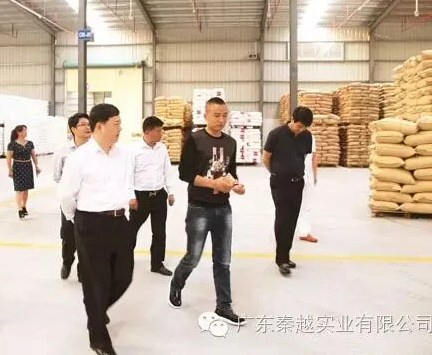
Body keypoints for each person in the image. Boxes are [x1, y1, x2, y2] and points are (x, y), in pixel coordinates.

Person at [59, 103, 137, 355]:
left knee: (124, 275)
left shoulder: (123, 155)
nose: (120, 128)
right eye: (116, 124)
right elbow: (66, 195)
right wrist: (76, 220)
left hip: (119, 221)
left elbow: (126, 184)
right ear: (100, 126)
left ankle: (97, 310)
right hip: (90, 223)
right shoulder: (79, 158)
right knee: (95, 282)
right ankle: (98, 338)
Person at [168, 97, 247, 327]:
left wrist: (236, 185)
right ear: (205, 115)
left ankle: (224, 306)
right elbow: (184, 174)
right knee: (193, 257)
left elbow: (231, 172)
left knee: (223, 260)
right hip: (199, 208)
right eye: (216, 115)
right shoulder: (195, 139)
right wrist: (214, 184)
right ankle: (177, 283)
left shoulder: (231, 143)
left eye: (224, 115)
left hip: (223, 209)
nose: (221, 119)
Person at [262, 106, 314, 276]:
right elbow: (266, 158)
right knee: (283, 219)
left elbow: (303, 157)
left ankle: (286, 255)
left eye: (304, 127)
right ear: (292, 119)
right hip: (280, 183)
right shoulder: (276, 134)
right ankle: (281, 259)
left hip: (298, 183)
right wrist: (275, 173)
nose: (301, 130)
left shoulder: (307, 136)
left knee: (292, 219)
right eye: (298, 126)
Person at [129, 116, 176, 276]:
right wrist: (130, 196)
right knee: (131, 230)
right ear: (148, 132)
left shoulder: (161, 148)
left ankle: (157, 264)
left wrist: (170, 192)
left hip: (159, 195)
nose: (161, 134)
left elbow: (167, 170)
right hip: (140, 196)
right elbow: (128, 175)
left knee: (159, 232)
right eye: (158, 131)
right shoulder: (134, 150)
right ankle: (124, 260)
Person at [53, 112, 91, 282]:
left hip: (90, 202)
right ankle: (67, 262)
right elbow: (57, 177)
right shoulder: (62, 151)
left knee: (87, 238)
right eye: (83, 124)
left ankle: (83, 270)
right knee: (68, 236)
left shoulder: (95, 150)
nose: (87, 127)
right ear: (73, 129)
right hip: (69, 201)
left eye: (89, 124)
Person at [6, 125, 41, 219]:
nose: (26, 132)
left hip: (28, 166)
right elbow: (8, 158)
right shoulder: (12, 144)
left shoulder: (30, 143)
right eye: (24, 130)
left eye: (26, 130)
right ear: (19, 132)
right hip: (17, 167)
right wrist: (9, 169)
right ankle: (19, 209)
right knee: (19, 189)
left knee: (26, 189)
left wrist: (36, 166)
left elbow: (33, 155)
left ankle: (24, 206)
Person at [298, 133, 318, 243]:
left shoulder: (310, 137)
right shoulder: (284, 135)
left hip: (307, 175)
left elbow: (314, 156)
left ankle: (304, 232)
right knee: (288, 206)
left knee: (306, 205)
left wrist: (314, 175)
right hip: (291, 176)